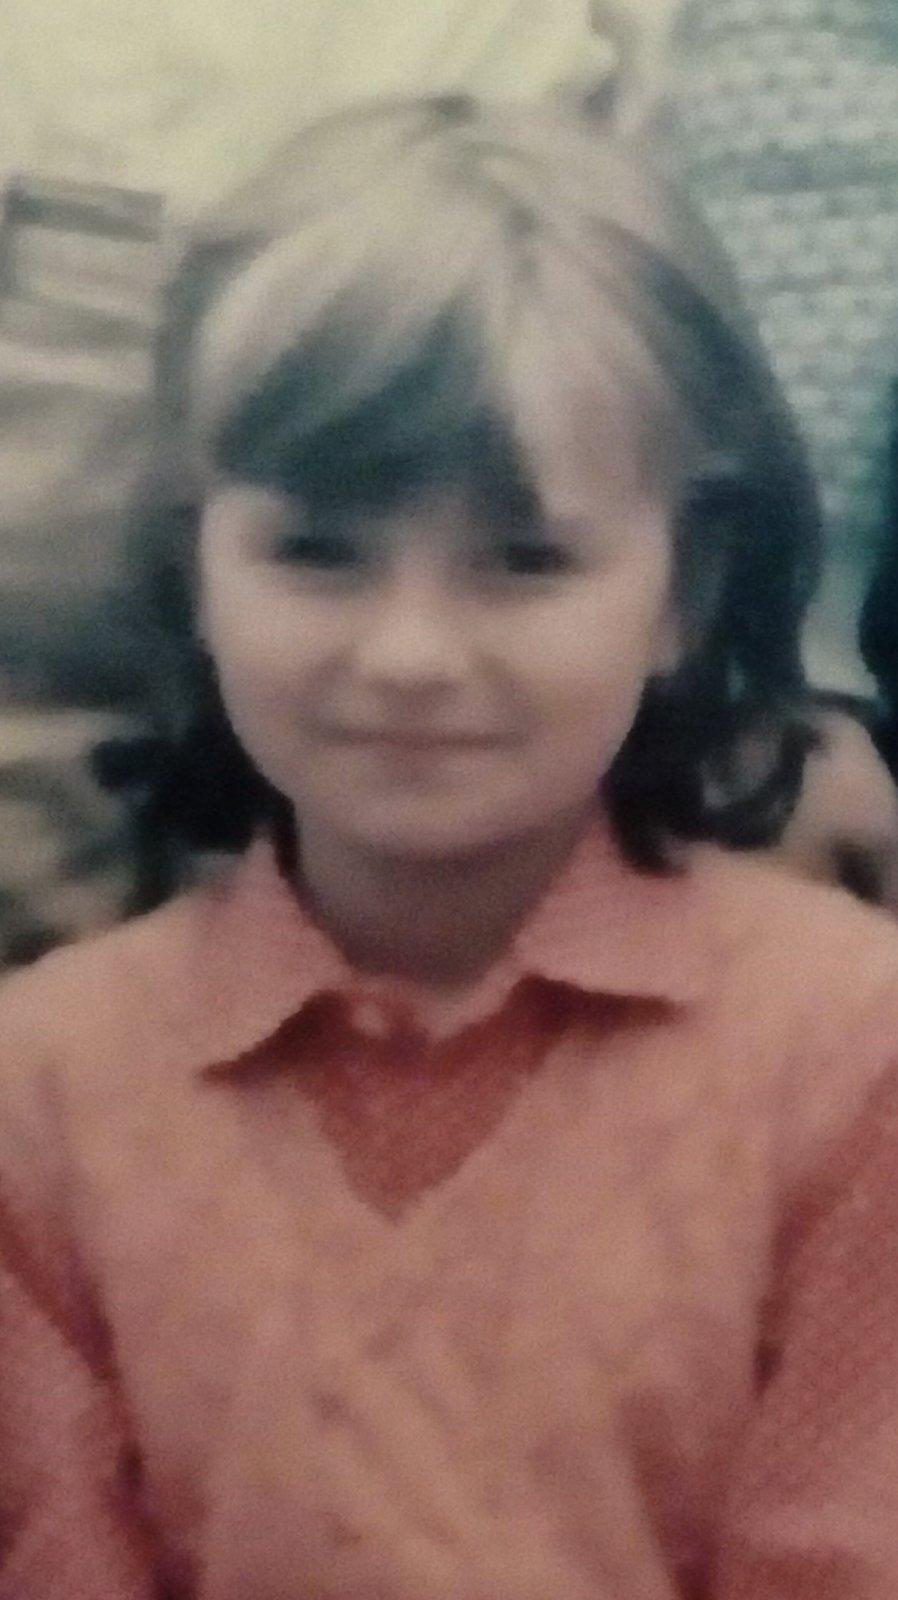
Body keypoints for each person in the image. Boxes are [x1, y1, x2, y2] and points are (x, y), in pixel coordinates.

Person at [3, 93, 898, 1600]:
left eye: (523, 560)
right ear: (194, 565)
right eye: (318, 552)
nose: (408, 653)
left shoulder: (853, 1055)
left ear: (685, 589)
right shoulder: (41, 1091)